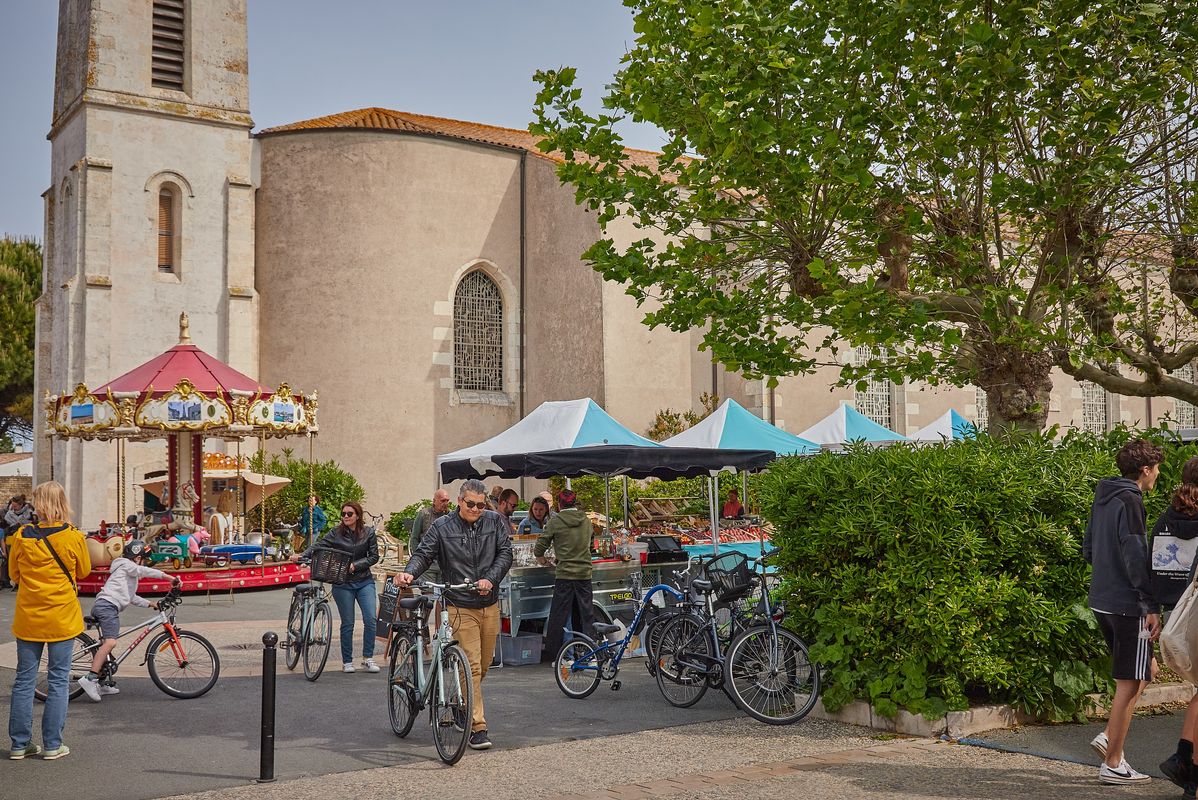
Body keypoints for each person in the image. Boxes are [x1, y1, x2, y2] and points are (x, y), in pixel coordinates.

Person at [394, 478, 512, 751]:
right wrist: (410, 572)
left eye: (481, 505)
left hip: (489, 601)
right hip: (459, 603)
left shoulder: (494, 522)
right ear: (459, 501)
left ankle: (463, 702)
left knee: (483, 664)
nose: (475, 509)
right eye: (470, 504)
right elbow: (424, 553)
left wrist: (490, 579)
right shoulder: (442, 526)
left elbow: (505, 553)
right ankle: (477, 728)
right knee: (470, 664)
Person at [1083, 438, 1164, 785]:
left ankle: (1108, 736)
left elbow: (1088, 546)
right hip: (1128, 605)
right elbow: (1134, 552)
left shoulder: (1105, 496)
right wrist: (1149, 605)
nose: (1158, 475)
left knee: (1145, 670)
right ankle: (1113, 762)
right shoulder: (1130, 500)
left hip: (1102, 597)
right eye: (1157, 468)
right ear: (1145, 470)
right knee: (1129, 683)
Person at [7, 481, 90, 761]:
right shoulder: (72, 537)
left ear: (37, 504)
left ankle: (20, 743)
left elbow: (14, 574)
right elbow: (85, 570)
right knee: (57, 680)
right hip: (61, 616)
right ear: (62, 502)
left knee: (24, 681)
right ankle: (53, 744)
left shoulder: (21, 536)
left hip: (29, 616)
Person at [77, 540, 181, 702]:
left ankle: (103, 682)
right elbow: (142, 570)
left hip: (106, 605)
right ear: (137, 557)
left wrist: (151, 604)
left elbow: (131, 597)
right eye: (143, 559)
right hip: (107, 606)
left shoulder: (125, 571)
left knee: (106, 645)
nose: (145, 562)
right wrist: (168, 577)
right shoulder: (126, 565)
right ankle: (90, 679)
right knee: (111, 642)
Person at [293, 500, 379, 672]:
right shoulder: (336, 533)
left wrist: (356, 565)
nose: (345, 517)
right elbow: (319, 545)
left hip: (364, 581)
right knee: (348, 623)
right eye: (343, 514)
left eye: (349, 514)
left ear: (357, 516)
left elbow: (374, 557)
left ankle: (368, 658)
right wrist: (303, 555)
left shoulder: (368, 533)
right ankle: (347, 661)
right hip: (342, 582)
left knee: (370, 619)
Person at [1155, 457, 1198, 792]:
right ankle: (1188, 768)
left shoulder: (1166, 517)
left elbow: (1153, 561)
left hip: (1175, 611)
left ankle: (1184, 761)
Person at [535, 489, 595, 662]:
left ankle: (565, 656)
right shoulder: (586, 520)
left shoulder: (556, 521)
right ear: (574, 503)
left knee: (563, 615)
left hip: (565, 575)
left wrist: (544, 560)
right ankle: (588, 654)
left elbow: (539, 548)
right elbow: (591, 546)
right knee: (586, 615)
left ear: (560, 505)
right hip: (584, 574)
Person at [411, 489, 451, 554]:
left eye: (447, 500)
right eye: (443, 501)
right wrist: (418, 555)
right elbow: (414, 538)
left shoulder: (450, 516)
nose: (446, 503)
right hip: (427, 556)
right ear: (434, 501)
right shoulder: (424, 514)